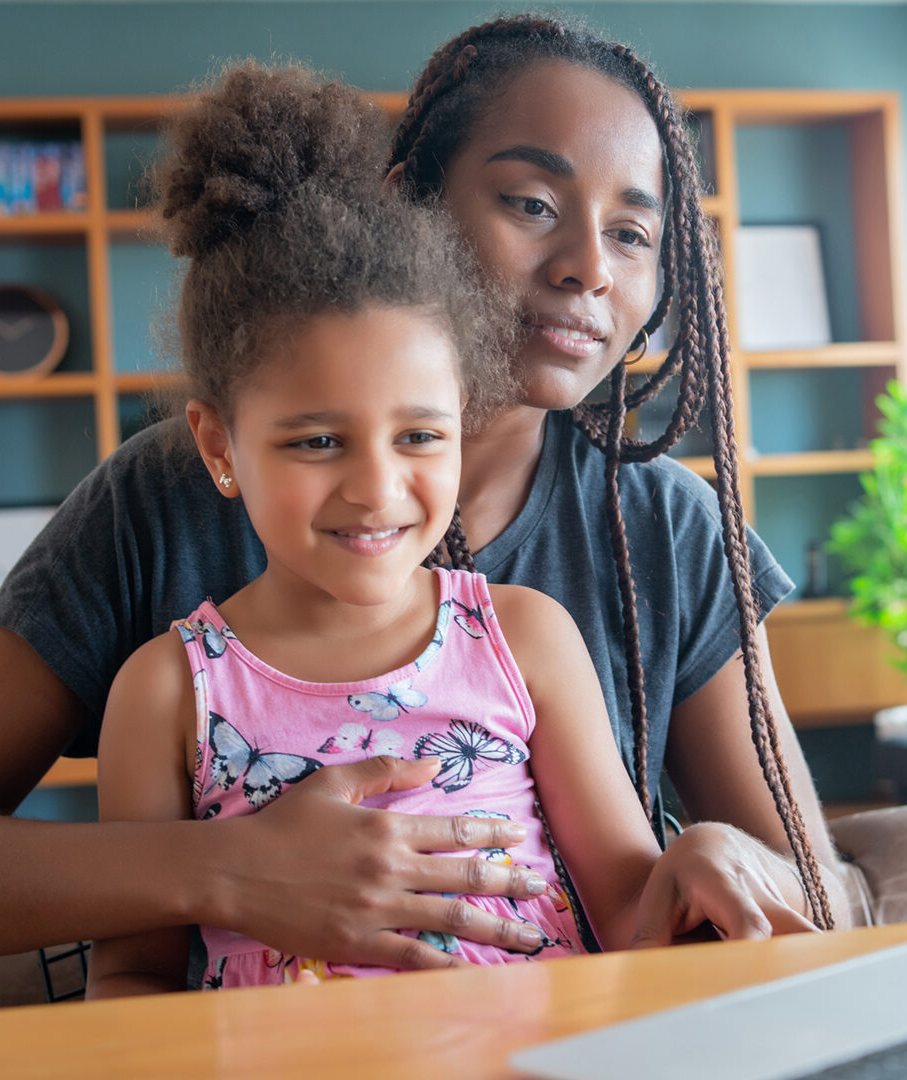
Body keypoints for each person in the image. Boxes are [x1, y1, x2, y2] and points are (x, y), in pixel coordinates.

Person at [0, 13, 855, 969]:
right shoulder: (163, 501)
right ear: (407, 198)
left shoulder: (660, 526)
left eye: (633, 233)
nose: (590, 265)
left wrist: (721, 861)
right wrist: (232, 869)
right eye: (532, 204)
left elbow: (821, 900)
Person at [85, 63, 667, 995]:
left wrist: (709, 861)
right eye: (317, 440)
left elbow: (636, 910)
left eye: (420, 436)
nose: (377, 487)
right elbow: (130, 983)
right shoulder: (164, 695)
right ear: (219, 446)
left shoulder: (526, 640)